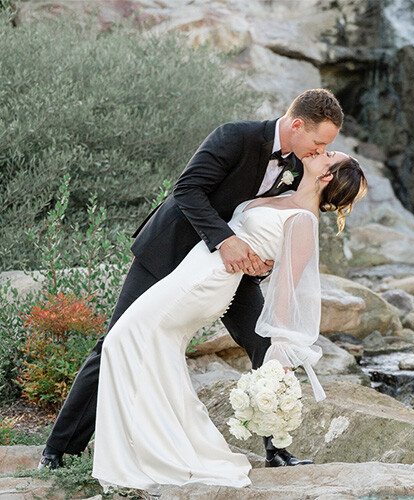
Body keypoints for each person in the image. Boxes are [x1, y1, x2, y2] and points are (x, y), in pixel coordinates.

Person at [40, 89, 344, 470]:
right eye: (318, 143)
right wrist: (225, 241)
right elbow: (186, 190)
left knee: (267, 348)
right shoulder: (236, 136)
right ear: (297, 125)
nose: (319, 152)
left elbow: (274, 225)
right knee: (117, 339)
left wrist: (263, 264)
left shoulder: (300, 168)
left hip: (234, 273)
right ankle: (58, 450)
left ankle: (277, 449)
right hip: (171, 252)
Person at [92, 151, 368, 489]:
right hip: (194, 268)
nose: (318, 151)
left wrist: (278, 354)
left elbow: (287, 291)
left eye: (327, 155)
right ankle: (161, 449)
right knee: (152, 350)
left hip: (208, 282)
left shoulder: (303, 221)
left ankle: (153, 453)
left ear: (326, 176)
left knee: (122, 340)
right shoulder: (284, 196)